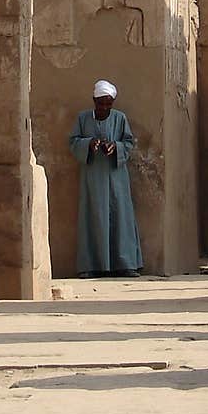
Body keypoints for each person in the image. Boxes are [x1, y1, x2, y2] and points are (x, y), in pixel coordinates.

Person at [69, 80, 143, 278]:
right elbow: (73, 142)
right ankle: (91, 266)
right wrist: (89, 145)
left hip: (116, 176)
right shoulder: (83, 119)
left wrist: (115, 147)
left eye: (108, 104)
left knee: (121, 217)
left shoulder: (120, 118)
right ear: (94, 101)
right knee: (93, 217)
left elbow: (128, 143)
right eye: (100, 103)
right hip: (92, 177)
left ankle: (126, 264)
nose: (104, 108)